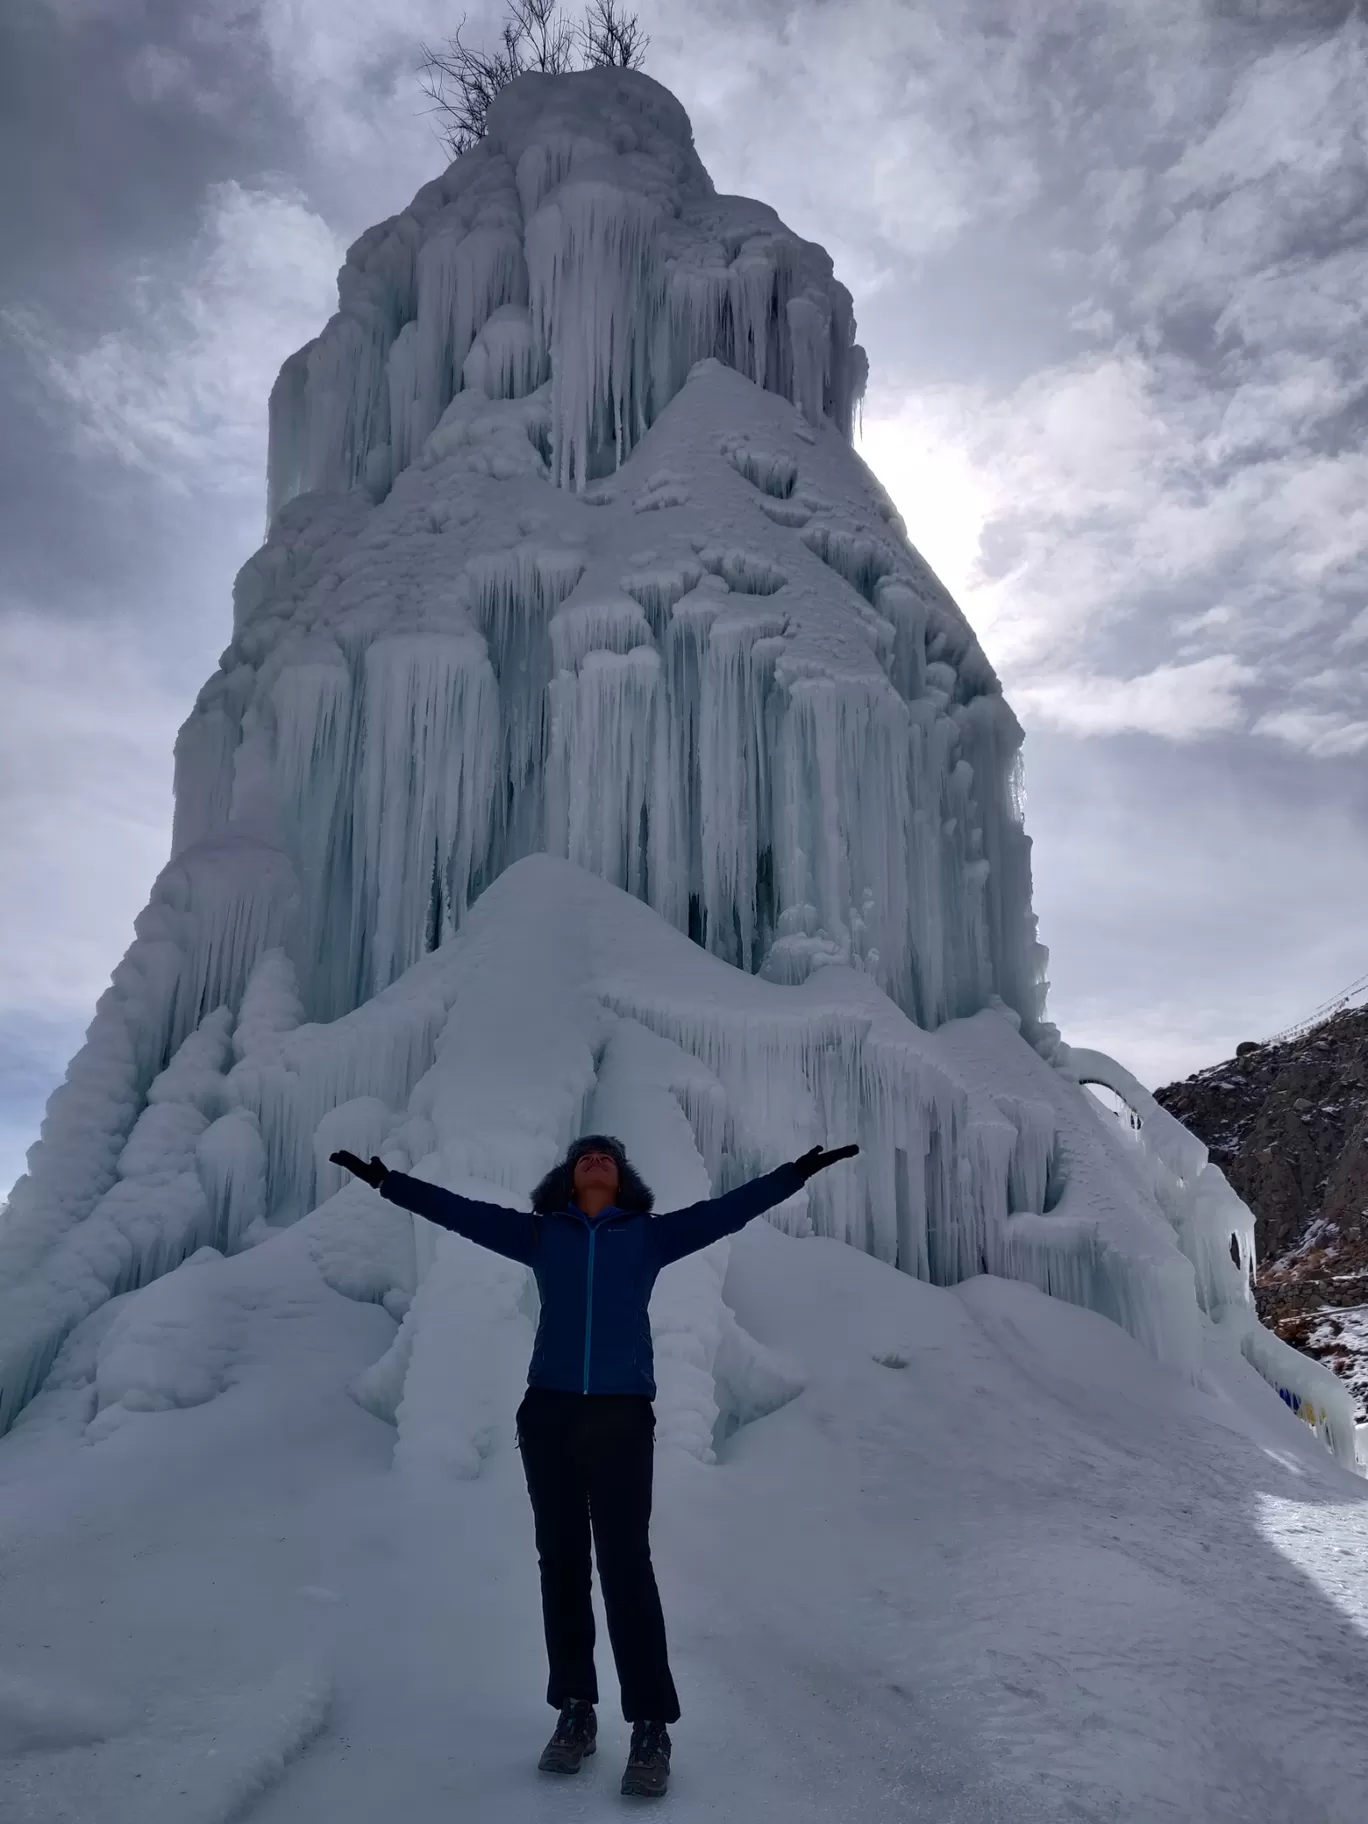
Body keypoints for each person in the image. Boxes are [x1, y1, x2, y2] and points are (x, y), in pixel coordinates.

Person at [331, 1131, 858, 1798]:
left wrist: (794, 1174)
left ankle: (649, 1726)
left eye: (608, 1154)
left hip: (620, 1415)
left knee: (626, 1566)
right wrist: (388, 1182)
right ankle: (576, 1711)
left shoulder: (650, 1236)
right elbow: (458, 1213)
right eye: (585, 1155)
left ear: (623, 1177)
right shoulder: (540, 1235)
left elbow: (729, 1210)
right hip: (549, 1416)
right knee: (562, 1564)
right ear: (570, 1178)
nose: (597, 1158)